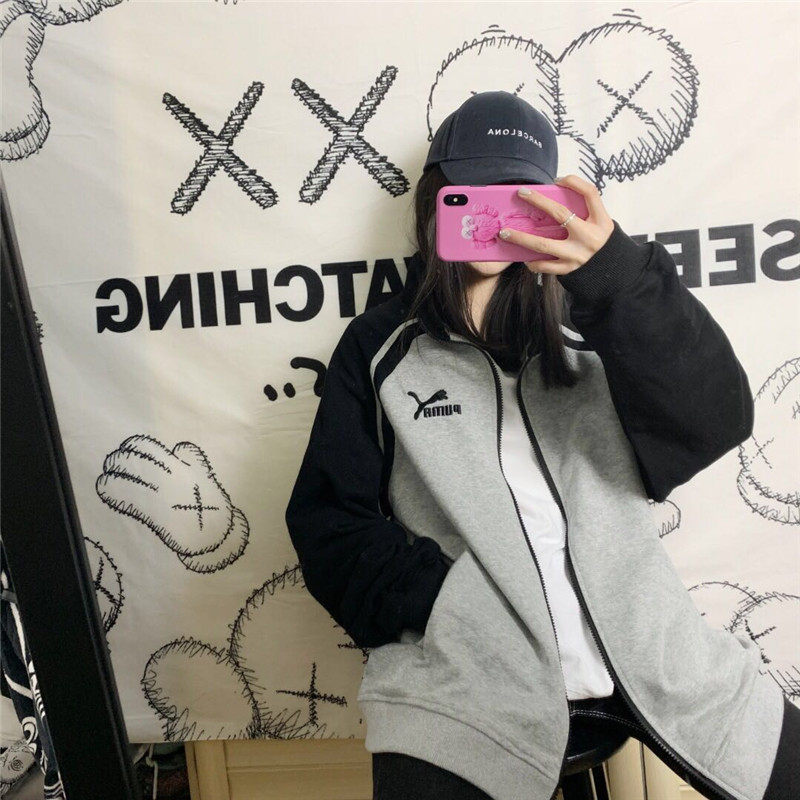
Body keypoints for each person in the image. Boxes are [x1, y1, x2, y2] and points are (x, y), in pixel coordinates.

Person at [284, 91, 798, 800]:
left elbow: (714, 421)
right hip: (464, 680)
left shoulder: (598, 324)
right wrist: (446, 604)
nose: (496, 216)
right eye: (474, 194)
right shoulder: (379, 347)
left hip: (651, 657)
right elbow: (327, 524)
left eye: (517, 198)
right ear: (436, 200)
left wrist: (614, 276)